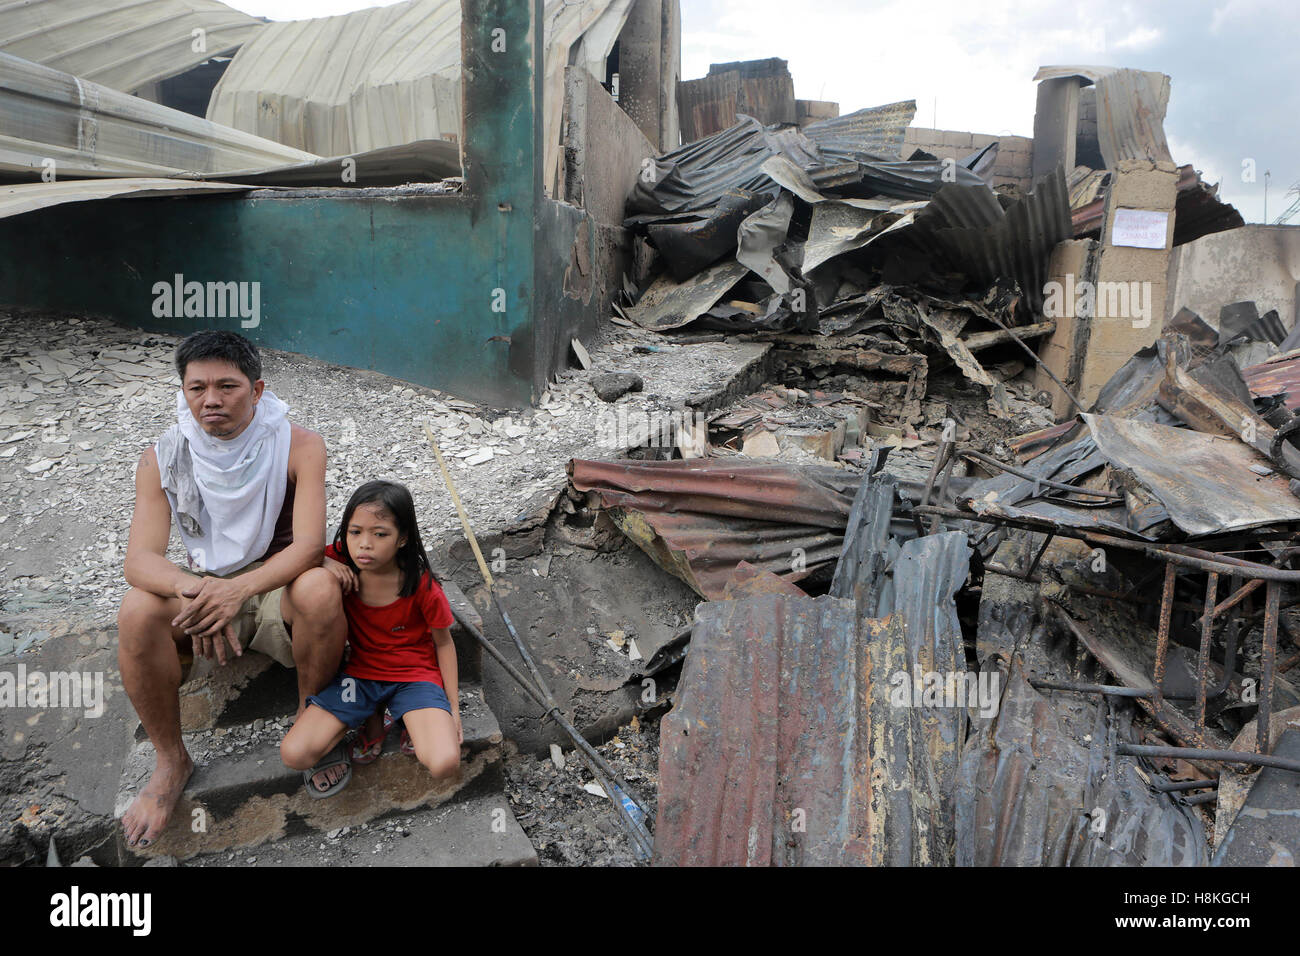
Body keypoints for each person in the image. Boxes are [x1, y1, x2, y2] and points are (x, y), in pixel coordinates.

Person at [117, 330, 349, 849]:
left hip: (274, 582)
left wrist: (236, 592)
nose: (211, 400)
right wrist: (197, 590)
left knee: (319, 590)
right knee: (135, 609)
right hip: (202, 585)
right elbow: (139, 561)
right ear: (183, 392)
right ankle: (171, 759)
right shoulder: (163, 456)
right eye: (196, 388)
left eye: (228, 386)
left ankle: (313, 718)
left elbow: (309, 547)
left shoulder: (300, 445)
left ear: (258, 390)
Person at [280, 480, 462, 792]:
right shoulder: (339, 560)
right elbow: (294, 558)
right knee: (294, 753)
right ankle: (369, 714)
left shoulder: (422, 585)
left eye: (380, 534)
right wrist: (323, 562)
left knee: (445, 763)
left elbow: (444, 642)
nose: (365, 544)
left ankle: (403, 717)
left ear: (402, 538)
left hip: (414, 676)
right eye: (355, 532)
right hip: (358, 679)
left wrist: (454, 708)